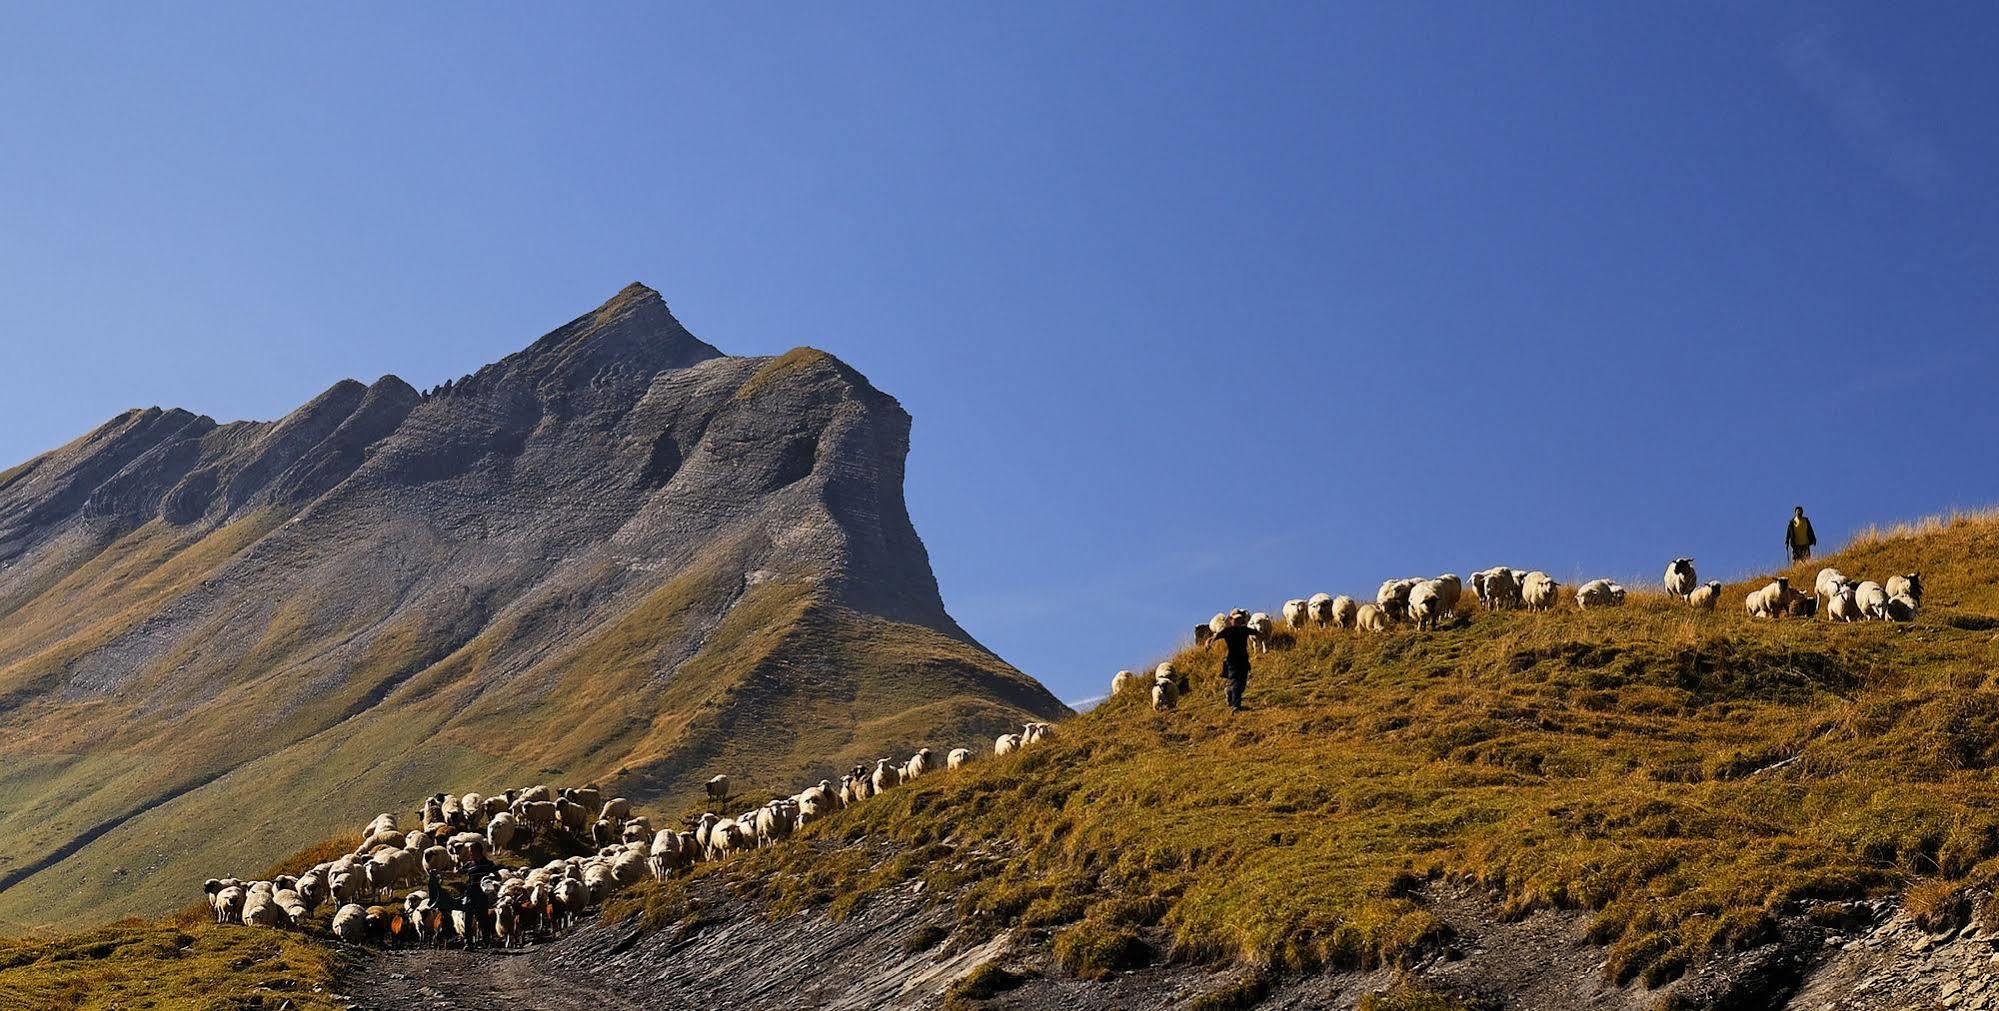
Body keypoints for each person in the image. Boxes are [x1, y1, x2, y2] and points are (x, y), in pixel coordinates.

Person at [427, 840, 500, 949]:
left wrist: (488, 879)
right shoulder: (469, 865)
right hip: (470, 894)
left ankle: (486, 942)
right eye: (470, 852)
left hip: (482, 895)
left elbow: (499, 877)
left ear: (478, 851)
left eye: (472, 852)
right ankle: (468, 943)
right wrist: (439, 872)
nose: (470, 854)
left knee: (482, 919)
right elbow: (455, 874)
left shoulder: (488, 864)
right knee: (467, 919)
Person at [1206, 608, 1259, 713]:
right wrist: (1208, 643)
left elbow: (1256, 632)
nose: (1238, 621)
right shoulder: (1227, 631)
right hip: (1232, 661)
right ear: (1231, 620)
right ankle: (1236, 706)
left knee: (1242, 684)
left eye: (1239, 619)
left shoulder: (1244, 629)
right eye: (1236, 619)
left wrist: (1263, 633)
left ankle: (1229, 691)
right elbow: (1214, 636)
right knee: (1236, 682)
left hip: (1244, 660)